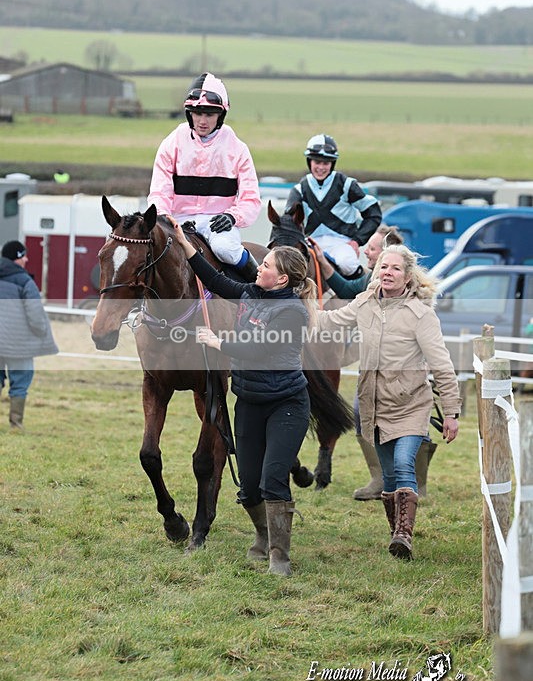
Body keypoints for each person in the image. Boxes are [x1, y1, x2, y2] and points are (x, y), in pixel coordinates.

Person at [172, 219, 316, 576]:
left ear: (281, 279)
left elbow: (259, 349)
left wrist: (216, 342)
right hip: (249, 401)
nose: (259, 267)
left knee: (272, 480)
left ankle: (280, 557)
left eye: (266, 265)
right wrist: (185, 244)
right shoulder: (252, 293)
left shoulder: (292, 312)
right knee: (249, 486)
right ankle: (263, 535)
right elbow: (216, 280)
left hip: (286, 405)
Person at [315, 244, 461, 560]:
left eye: (395, 268)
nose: (388, 273)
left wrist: (451, 411)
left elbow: (442, 365)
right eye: (383, 267)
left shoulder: (421, 315)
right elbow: (329, 321)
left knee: (404, 463)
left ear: (408, 277)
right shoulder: (364, 303)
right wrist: (297, 308)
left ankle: (404, 536)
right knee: (389, 476)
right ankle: (397, 534)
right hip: (374, 405)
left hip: (411, 404)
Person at [309, 224, 439, 502]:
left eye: (372, 248)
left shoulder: (414, 304)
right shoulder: (370, 286)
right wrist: (303, 305)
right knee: (361, 413)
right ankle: (380, 478)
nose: (366, 252)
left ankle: (417, 482)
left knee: (411, 427)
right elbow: (344, 292)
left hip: (406, 379)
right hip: (373, 375)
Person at [147, 72, 261, 281]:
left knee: (226, 249)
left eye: (209, 114)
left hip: (217, 224)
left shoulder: (238, 149)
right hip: (177, 221)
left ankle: (260, 287)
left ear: (221, 115)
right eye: (197, 113)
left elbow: (251, 200)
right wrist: (164, 217)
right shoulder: (171, 143)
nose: (202, 121)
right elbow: (159, 192)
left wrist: (232, 217)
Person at [285, 133, 382, 277]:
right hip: (310, 243)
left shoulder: (346, 185)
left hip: (341, 244)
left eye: (326, 163)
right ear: (309, 162)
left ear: (332, 164)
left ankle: (362, 286)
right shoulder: (299, 189)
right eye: (317, 162)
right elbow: (288, 221)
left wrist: (357, 241)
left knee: (347, 264)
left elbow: (373, 213)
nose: (321, 167)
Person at [0, 240, 58, 430]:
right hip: (18, 344)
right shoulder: (25, 281)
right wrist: (40, 331)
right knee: (20, 381)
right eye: (23, 255)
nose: (26, 259)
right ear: (16, 258)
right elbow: (35, 314)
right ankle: (15, 424)